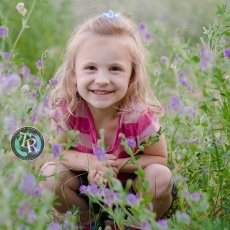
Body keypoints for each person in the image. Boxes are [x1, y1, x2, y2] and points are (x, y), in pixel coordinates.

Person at [39, 10, 173, 226]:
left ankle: (134, 224)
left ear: (132, 75)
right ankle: (90, 223)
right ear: (74, 73)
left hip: (132, 192)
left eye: (115, 69)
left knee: (160, 176)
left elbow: (159, 159)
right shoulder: (70, 111)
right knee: (49, 175)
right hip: (87, 190)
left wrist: (117, 164)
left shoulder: (139, 115)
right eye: (91, 68)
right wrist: (90, 162)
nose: (101, 80)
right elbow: (60, 153)